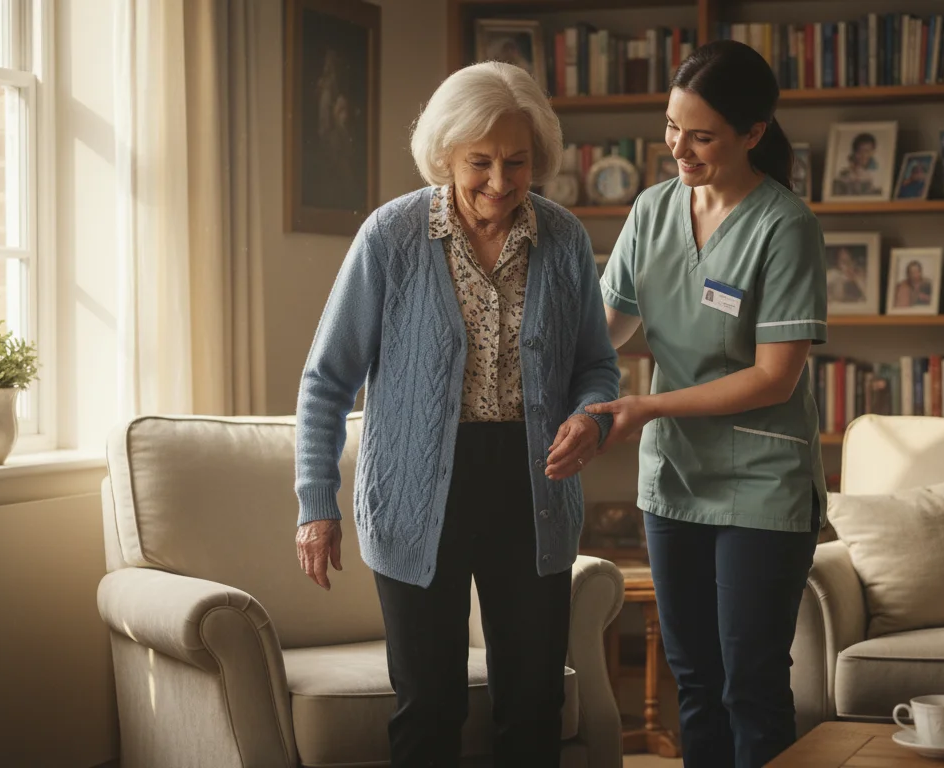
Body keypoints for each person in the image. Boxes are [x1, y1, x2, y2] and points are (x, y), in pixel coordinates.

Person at [293, 61, 621, 767]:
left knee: (534, 701)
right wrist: (316, 503)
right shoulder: (391, 238)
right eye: (480, 162)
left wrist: (593, 416)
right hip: (417, 493)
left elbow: (597, 363)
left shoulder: (562, 240)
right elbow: (326, 379)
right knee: (428, 707)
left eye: (517, 161)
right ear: (445, 155)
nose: (499, 182)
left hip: (533, 485)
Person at [586, 39, 828, 768]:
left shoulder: (785, 226)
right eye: (671, 127)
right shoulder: (653, 209)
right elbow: (607, 330)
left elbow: (774, 378)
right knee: (695, 681)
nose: (678, 148)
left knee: (749, 685)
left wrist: (648, 410)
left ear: (753, 133)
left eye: (701, 135)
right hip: (675, 482)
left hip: (762, 482)